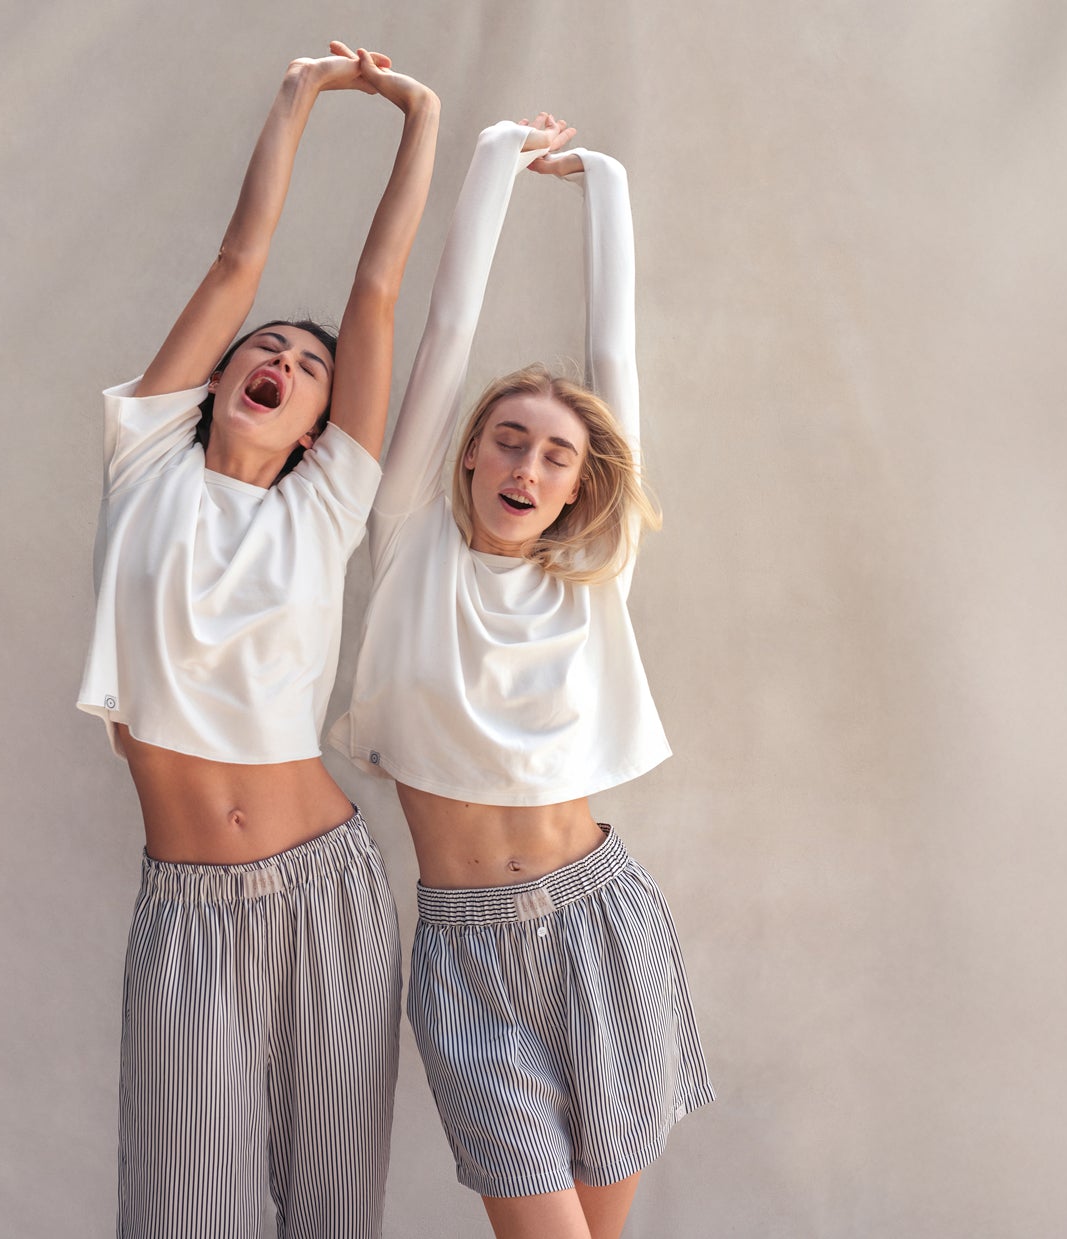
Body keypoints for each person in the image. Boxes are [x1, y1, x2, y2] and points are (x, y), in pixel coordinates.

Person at [76, 42, 437, 1239]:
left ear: (322, 426)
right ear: (219, 377)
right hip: (189, 912)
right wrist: (296, 97)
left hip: (331, 891)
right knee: (189, 1215)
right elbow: (239, 262)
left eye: (310, 365)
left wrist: (419, 118)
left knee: (333, 1215)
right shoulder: (144, 459)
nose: (282, 360)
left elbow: (377, 294)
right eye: (266, 349)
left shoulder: (324, 507)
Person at [330, 115, 713, 1239]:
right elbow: (445, 333)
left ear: (578, 486)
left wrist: (607, 185)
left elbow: (614, 362)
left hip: (604, 929)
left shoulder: (594, 578)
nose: (526, 465)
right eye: (507, 438)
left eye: (555, 455)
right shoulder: (408, 542)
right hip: (466, 953)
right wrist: (494, 156)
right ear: (466, 451)